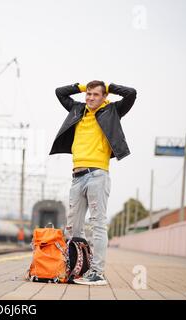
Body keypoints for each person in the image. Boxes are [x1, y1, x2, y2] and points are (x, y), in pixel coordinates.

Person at [50, 81, 137, 285]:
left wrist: (108, 85)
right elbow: (59, 92)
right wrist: (81, 87)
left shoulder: (112, 110)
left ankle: (97, 273)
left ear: (104, 96)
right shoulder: (77, 109)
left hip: (98, 174)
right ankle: (76, 269)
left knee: (98, 224)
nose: (90, 98)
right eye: (88, 94)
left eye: (95, 94)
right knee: (73, 228)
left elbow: (131, 93)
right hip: (77, 176)